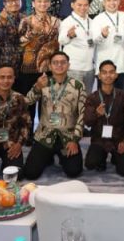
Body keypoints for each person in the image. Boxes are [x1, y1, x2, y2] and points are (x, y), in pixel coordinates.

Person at [21, 52, 86, 180]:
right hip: (44, 135)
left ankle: (59, 155)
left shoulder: (78, 85)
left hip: (67, 136)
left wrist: (74, 140)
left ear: (68, 65)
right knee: (30, 173)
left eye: (63, 62)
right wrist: (37, 87)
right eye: (55, 63)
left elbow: (82, 114)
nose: (59, 65)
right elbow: (27, 101)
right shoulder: (43, 82)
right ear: (50, 66)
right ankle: (48, 155)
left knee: (74, 171)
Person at [83, 60, 124, 176]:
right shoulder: (92, 97)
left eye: (111, 72)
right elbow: (87, 122)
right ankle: (102, 157)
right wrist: (97, 114)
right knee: (90, 164)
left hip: (118, 140)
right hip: (99, 140)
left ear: (116, 75)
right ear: (99, 76)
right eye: (104, 72)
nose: (108, 75)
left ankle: (115, 156)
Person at [15, 0, 60, 99]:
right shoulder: (26, 21)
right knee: (28, 101)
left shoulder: (56, 21)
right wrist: (30, 35)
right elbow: (19, 44)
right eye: (39, 1)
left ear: (49, 3)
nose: (42, 4)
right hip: (29, 68)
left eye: (45, 1)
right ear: (33, 3)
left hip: (49, 67)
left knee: (47, 102)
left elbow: (58, 42)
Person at [92, 0, 124, 90]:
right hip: (104, 67)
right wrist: (103, 35)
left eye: (114, 0)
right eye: (108, 0)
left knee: (122, 97)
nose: (112, 3)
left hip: (123, 65)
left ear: (119, 1)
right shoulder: (98, 19)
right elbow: (94, 41)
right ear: (104, 3)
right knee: (103, 98)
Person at [59, 0, 96, 91]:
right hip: (73, 68)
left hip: (90, 68)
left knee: (87, 97)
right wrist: (69, 35)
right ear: (72, 5)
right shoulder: (67, 21)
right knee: (73, 97)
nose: (82, 8)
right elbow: (61, 40)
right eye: (79, 5)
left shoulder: (92, 22)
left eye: (85, 5)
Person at [0, 0, 25, 74]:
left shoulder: (25, 18)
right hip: (6, 63)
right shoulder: (0, 19)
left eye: (16, 0)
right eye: (10, 1)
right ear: (4, 3)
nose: (14, 3)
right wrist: (3, 23)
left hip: (24, 64)